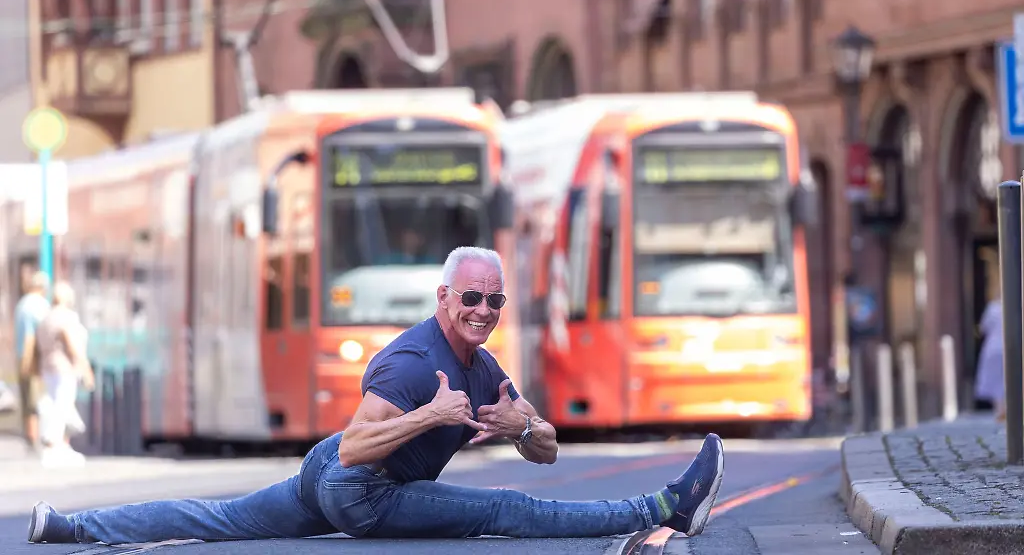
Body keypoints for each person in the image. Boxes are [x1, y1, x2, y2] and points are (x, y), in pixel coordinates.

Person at [27, 246, 725, 545]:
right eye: (471, 298)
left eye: (495, 300)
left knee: (211, 520)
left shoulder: (481, 365)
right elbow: (357, 447)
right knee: (509, 511)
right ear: (444, 297)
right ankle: (663, 507)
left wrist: (522, 427)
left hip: (324, 475)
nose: (483, 310)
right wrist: (432, 415)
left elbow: (545, 451)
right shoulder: (414, 363)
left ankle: (69, 528)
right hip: (358, 486)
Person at [35, 281, 95, 466]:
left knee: (57, 405)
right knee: (62, 406)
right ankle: (54, 446)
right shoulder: (66, 317)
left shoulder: (46, 317)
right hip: (65, 367)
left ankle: (57, 445)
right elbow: (72, 345)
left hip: (48, 367)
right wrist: (85, 368)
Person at [14, 271, 51, 453]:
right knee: (37, 399)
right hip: (35, 358)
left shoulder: (21, 305)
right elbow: (31, 337)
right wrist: (29, 362)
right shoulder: (40, 306)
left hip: (21, 355)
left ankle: (31, 437)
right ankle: (38, 437)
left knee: (27, 399)